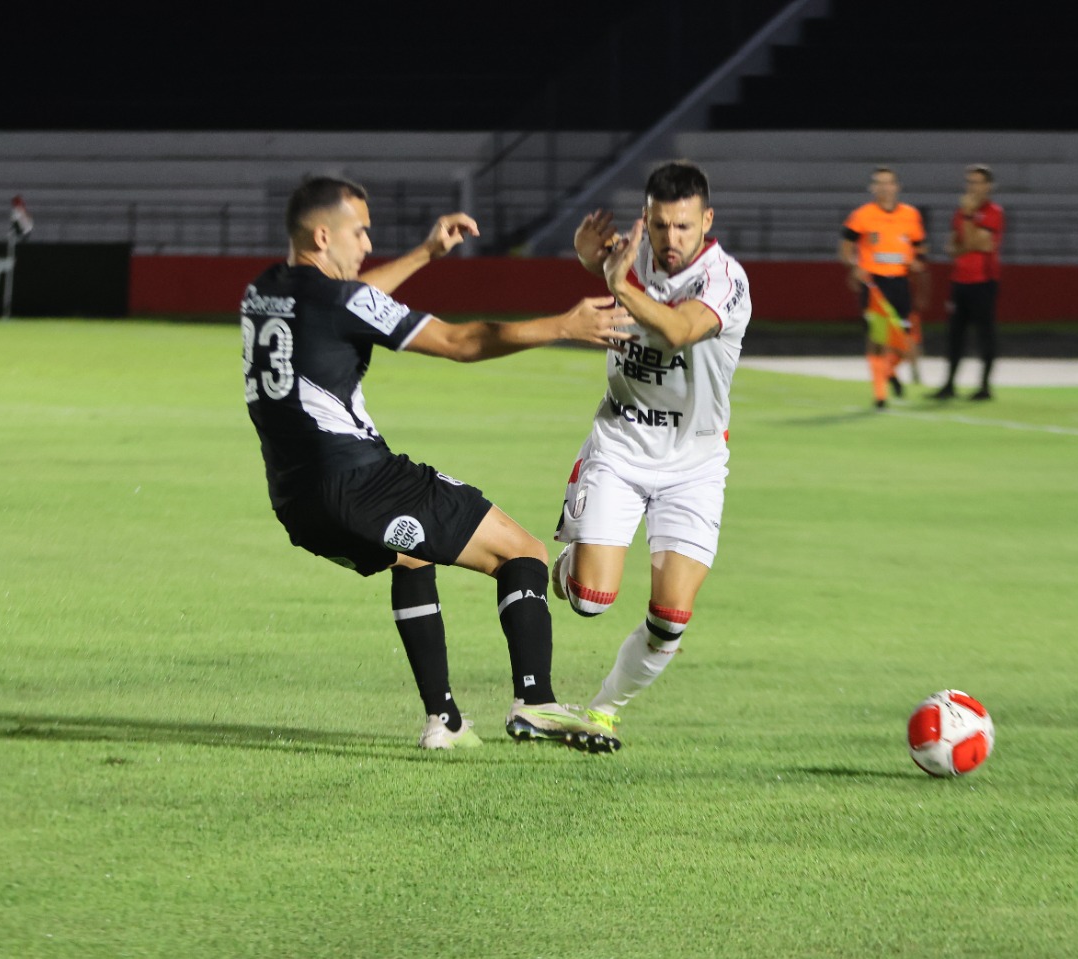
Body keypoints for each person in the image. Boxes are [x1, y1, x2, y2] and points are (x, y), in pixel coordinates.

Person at [243, 177, 634, 752]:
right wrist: (564, 326)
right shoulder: (341, 300)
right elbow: (461, 341)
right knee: (522, 552)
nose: (367, 243)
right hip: (360, 479)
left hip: (297, 503)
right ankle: (537, 702)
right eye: (360, 231)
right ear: (324, 235)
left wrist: (425, 254)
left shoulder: (263, 291)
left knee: (409, 554)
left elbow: (346, 300)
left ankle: (443, 721)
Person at [557, 161, 752, 741]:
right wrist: (586, 252)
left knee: (669, 619)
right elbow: (600, 257)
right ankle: (567, 565)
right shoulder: (632, 257)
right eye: (661, 226)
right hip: (619, 446)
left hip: (693, 465)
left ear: (707, 221)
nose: (671, 240)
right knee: (590, 599)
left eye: (685, 227)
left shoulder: (726, 281)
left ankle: (602, 710)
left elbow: (678, 330)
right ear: (647, 218)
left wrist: (614, 283)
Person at [838, 167, 928, 409]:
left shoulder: (910, 215)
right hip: (874, 283)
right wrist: (855, 265)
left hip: (901, 282)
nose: (884, 188)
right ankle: (880, 395)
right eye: (879, 183)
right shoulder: (862, 215)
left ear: (896, 187)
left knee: (906, 342)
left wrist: (918, 261)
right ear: (873, 188)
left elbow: (920, 247)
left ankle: (888, 371)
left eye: (888, 183)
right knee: (877, 338)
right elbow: (846, 247)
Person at [933, 165, 1004, 401]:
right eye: (970, 182)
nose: (973, 187)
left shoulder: (993, 211)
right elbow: (952, 248)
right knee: (955, 334)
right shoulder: (961, 212)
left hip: (983, 281)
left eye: (977, 182)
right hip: (960, 281)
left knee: (985, 333)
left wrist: (968, 218)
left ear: (988, 186)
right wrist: (967, 238)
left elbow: (980, 243)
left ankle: (984, 387)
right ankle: (949, 384)